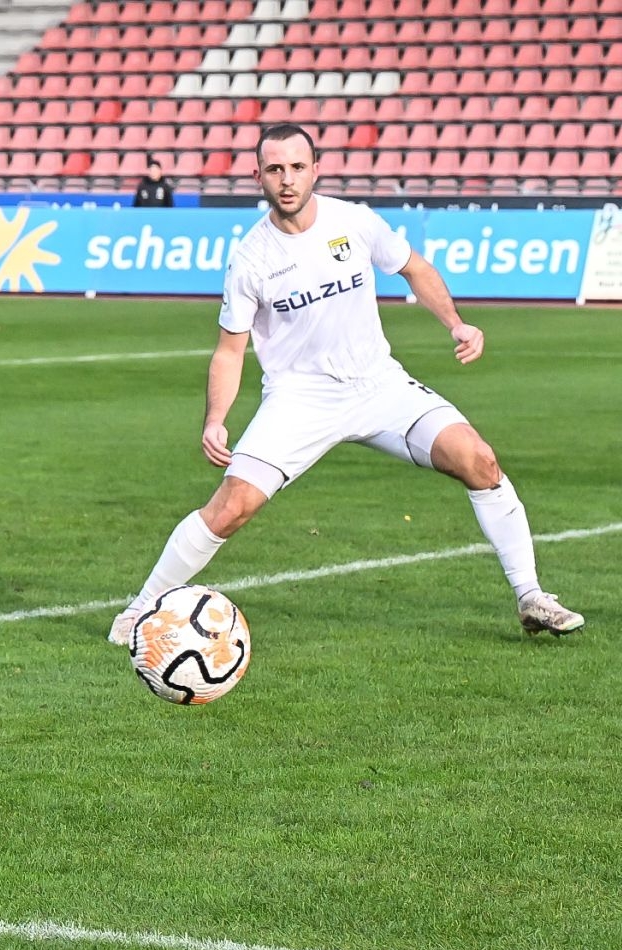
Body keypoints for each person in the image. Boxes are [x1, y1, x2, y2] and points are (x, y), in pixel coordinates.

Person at [107, 125, 584, 644]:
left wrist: (456, 324)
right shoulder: (251, 258)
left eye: (297, 167)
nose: (287, 180)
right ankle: (139, 609)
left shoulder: (353, 221)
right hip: (300, 398)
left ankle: (531, 597)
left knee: (479, 460)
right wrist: (215, 420)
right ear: (257, 176)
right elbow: (230, 348)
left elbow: (414, 268)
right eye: (274, 169)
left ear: (316, 169)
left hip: (378, 384)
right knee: (232, 506)